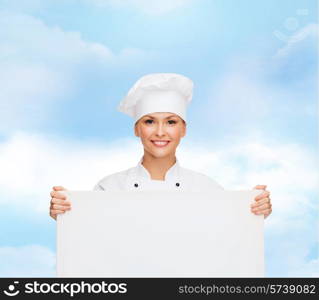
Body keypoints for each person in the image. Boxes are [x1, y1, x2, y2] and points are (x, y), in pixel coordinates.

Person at [49, 73, 272, 220]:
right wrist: (66, 213)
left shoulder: (206, 188)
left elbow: (231, 230)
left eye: (171, 122)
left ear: (184, 129)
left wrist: (255, 210)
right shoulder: (110, 187)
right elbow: (89, 236)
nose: (160, 132)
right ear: (136, 129)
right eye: (149, 121)